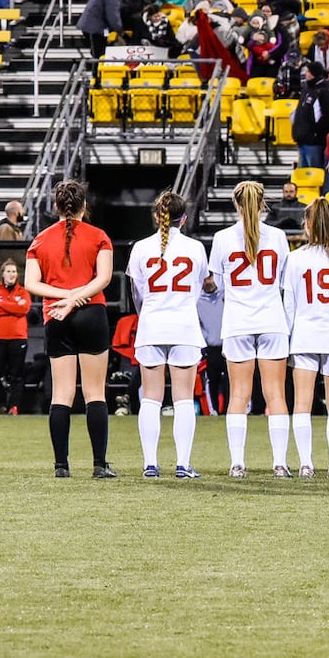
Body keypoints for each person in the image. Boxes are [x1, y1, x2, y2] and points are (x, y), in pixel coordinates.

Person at [24, 180, 116, 478]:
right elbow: (103, 279)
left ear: (56, 207)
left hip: (56, 316)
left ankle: (61, 466)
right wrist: (77, 298)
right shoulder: (99, 236)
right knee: (95, 393)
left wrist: (64, 299)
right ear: (83, 206)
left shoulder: (39, 240)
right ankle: (100, 465)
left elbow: (31, 284)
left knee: (61, 393)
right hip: (91, 313)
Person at [207, 181, 293, 477]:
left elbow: (215, 285)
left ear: (236, 204)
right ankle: (280, 463)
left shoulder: (222, 237)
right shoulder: (279, 236)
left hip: (238, 322)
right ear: (263, 203)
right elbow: (283, 282)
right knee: (276, 395)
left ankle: (237, 463)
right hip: (271, 320)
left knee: (238, 395)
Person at [129, 192, 209, 479]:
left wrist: (150, 312)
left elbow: (137, 294)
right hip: (184, 326)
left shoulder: (140, 247)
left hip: (152, 325)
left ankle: (150, 463)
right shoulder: (196, 248)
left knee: (150, 398)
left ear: (155, 216)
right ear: (183, 219)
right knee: (184, 399)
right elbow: (199, 287)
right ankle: (183, 464)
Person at [283, 198, 329, 478]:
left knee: (302, 403)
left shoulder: (295, 258)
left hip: (304, 335)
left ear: (307, 224)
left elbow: (289, 305)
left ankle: (305, 464)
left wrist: (289, 339)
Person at [0, 262, 28, 416]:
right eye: (8, 271)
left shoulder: (23, 292)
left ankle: (14, 406)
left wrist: (3, 303)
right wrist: (14, 306)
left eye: (14, 271)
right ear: (2, 274)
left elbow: (24, 308)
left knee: (17, 374)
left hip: (18, 337)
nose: (11, 274)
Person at [0, 199, 24, 273]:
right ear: (16, 213)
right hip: (9, 271)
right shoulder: (5, 228)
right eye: (21, 210)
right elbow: (7, 253)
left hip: (16, 269)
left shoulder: (14, 229)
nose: (23, 212)